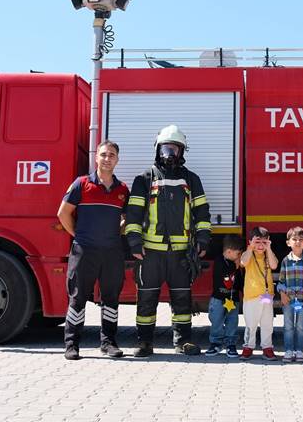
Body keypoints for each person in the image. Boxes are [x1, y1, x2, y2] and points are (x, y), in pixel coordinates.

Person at [125, 125, 212, 357]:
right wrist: (134, 242)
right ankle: (144, 343)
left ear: (182, 152)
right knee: (146, 299)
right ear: (157, 150)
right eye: (166, 149)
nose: (169, 154)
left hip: (182, 253)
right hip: (150, 252)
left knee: (182, 299)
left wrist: (203, 240)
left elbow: (202, 214)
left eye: (174, 149)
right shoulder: (144, 179)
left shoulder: (191, 180)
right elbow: (133, 214)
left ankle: (182, 341)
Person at [57, 141, 129, 361]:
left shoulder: (123, 189)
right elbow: (63, 213)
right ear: (96, 157)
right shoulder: (81, 184)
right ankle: (72, 345)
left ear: (117, 160)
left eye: (112, 155)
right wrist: (78, 236)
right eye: (104, 155)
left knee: (110, 298)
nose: (107, 159)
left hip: (112, 253)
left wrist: (118, 230)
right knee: (77, 298)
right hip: (84, 251)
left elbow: (127, 217)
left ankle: (108, 343)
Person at [277, 226, 303, 362]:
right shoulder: (285, 261)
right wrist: (282, 294)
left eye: (301, 239)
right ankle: (288, 350)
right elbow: (281, 280)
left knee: (300, 326)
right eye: (294, 239)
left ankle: (299, 350)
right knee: (288, 326)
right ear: (288, 242)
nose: (298, 242)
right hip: (288, 299)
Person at [240, 227, 278, 360]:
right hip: (251, 296)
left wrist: (269, 249)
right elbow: (243, 262)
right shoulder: (249, 254)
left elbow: (274, 266)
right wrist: (250, 248)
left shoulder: (269, 255)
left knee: (267, 322)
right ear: (250, 242)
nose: (261, 245)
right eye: (257, 242)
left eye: (264, 242)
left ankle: (267, 347)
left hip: (266, 295)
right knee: (251, 323)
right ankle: (248, 347)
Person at [205, 234, 245, 358]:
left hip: (233, 299)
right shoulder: (219, 262)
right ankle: (215, 343)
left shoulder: (236, 263)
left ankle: (230, 344)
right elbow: (226, 273)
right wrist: (237, 265)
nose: (240, 257)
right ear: (228, 251)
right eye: (238, 254)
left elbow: (240, 281)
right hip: (218, 299)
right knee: (216, 320)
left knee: (232, 321)